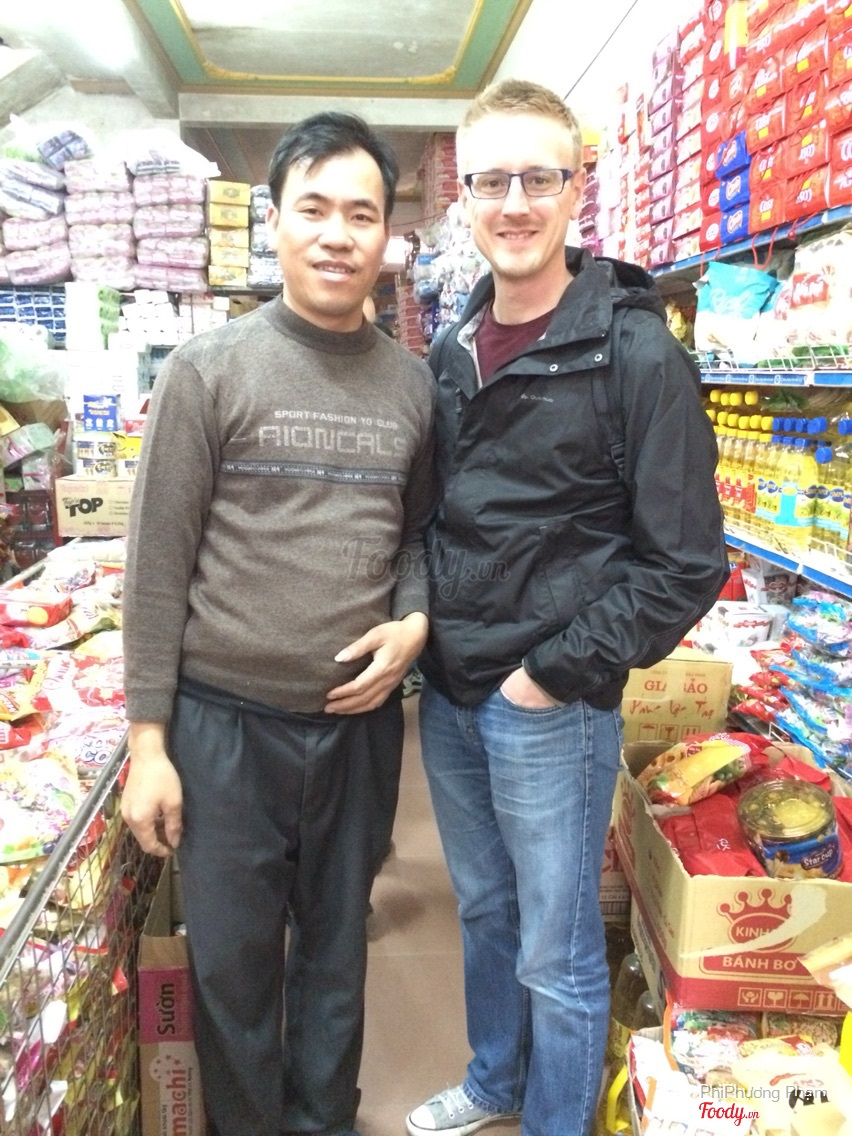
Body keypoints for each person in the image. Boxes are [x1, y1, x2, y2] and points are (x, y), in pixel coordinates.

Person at [406, 79, 728, 1136]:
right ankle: (495, 1078)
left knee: (557, 946)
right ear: (464, 197)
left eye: (537, 178)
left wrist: (548, 676)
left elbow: (686, 562)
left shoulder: (634, 351)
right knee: (486, 909)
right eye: (491, 181)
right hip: (451, 690)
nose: (514, 203)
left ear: (577, 187)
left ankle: (553, 1121)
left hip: (546, 698)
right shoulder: (453, 346)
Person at [120, 111, 436, 1136]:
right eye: (315, 209)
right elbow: (156, 565)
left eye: (362, 214)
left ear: (388, 233)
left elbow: (419, 535)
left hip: (356, 730)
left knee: (337, 958)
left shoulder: (414, 384)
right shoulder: (206, 371)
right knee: (234, 968)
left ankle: (324, 1121)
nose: (338, 234)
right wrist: (149, 744)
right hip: (224, 730)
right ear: (275, 222)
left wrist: (414, 618)